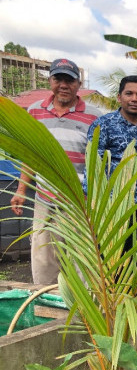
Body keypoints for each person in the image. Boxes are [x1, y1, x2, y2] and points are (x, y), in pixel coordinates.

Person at [10, 58, 103, 285]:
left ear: (78, 84)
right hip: (45, 196)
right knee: (43, 257)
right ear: (50, 81)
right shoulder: (34, 112)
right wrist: (21, 190)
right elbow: (31, 155)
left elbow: (98, 161)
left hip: (79, 200)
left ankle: (81, 311)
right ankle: (45, 307)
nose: (63, 84)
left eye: (69, 80)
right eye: (58, 78)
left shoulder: (94, 116)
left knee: (82, 259)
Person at [84, 75, 137, 217]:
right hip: (112, 206)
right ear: (119, 97)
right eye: (129, 94)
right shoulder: (103, 125)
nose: (134, 99)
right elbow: (92, 167)